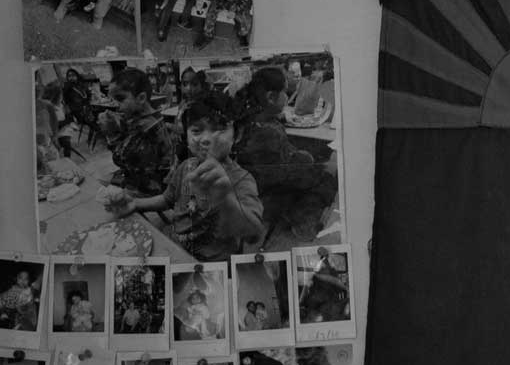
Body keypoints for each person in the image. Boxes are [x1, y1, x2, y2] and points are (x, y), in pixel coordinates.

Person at [105, 98, 264, 261]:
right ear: (186, 137)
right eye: (196, 131)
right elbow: (167, 199)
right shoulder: (186, 166)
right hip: (176, 247)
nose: (205, 139)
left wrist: (226, 198)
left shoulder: (242, 180)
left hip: (211, 262)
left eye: (219, 129)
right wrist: (136, 203)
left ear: (237, 136)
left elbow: (253, 235)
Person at [235, 65, 336, 242]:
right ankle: (302, 221)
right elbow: (295, 174)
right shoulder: (268, 134)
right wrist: (311, 160)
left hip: (249, 191)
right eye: (284, 92)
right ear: (271, 97)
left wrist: (276, 117)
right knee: (329, 176)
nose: (287, 97)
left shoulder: (248, 122)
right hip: (270, 196)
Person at [101, 67, 181, 198]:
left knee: (101, 193)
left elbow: (120, 160)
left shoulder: (146, 127)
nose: (115, 104)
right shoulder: (148, 117)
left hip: (152, 186)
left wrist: (111, 133)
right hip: (146, 174)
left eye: (120, 99)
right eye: (112, 99)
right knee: (103, 182)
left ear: (141, 98)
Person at [0, 267, 40, 331]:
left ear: (29, 280)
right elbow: (4, 299)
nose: (23, 281)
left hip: (29, 315)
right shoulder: (13, 289)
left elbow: (36, 295)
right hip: (17, 314)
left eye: (26, 279)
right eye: (20, 278)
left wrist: (35, 298)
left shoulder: (31, 289)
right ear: (16, 278)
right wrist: (3, 311)